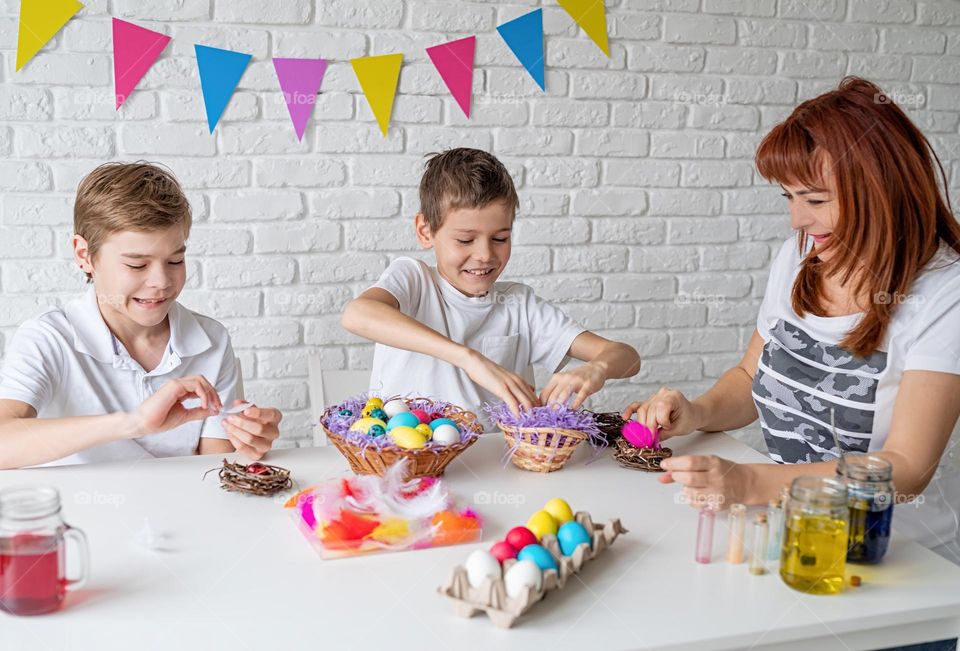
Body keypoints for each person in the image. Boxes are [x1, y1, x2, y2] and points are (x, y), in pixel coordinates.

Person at [625, 77, 960, 565]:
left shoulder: (945, 292)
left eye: (816, 200)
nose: (796, 220)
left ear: (880, 188)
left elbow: (907, 468)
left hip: (897, 558)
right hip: (794, 535)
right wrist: (695, 413)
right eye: (788, 197)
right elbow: (749, 379)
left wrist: (750, 482)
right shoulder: (799, 257)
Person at [0, 162, 282, 468]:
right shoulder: (49, 339)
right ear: (84, 256)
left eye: (175, 260)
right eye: (137, 265)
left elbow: (213, 467)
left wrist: (247, 445)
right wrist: (135, 423)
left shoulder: (211, 340)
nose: (161, 282)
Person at [342, 148, 641, 420]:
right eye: (465, 240)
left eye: (500, 238)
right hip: (408, 464)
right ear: (425, 231)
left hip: (495, 471)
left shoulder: (519, 305)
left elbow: (627, 357)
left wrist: (597, 368)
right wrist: (470, 359)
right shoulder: (414, 281)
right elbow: (358, 314)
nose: (485, 255)